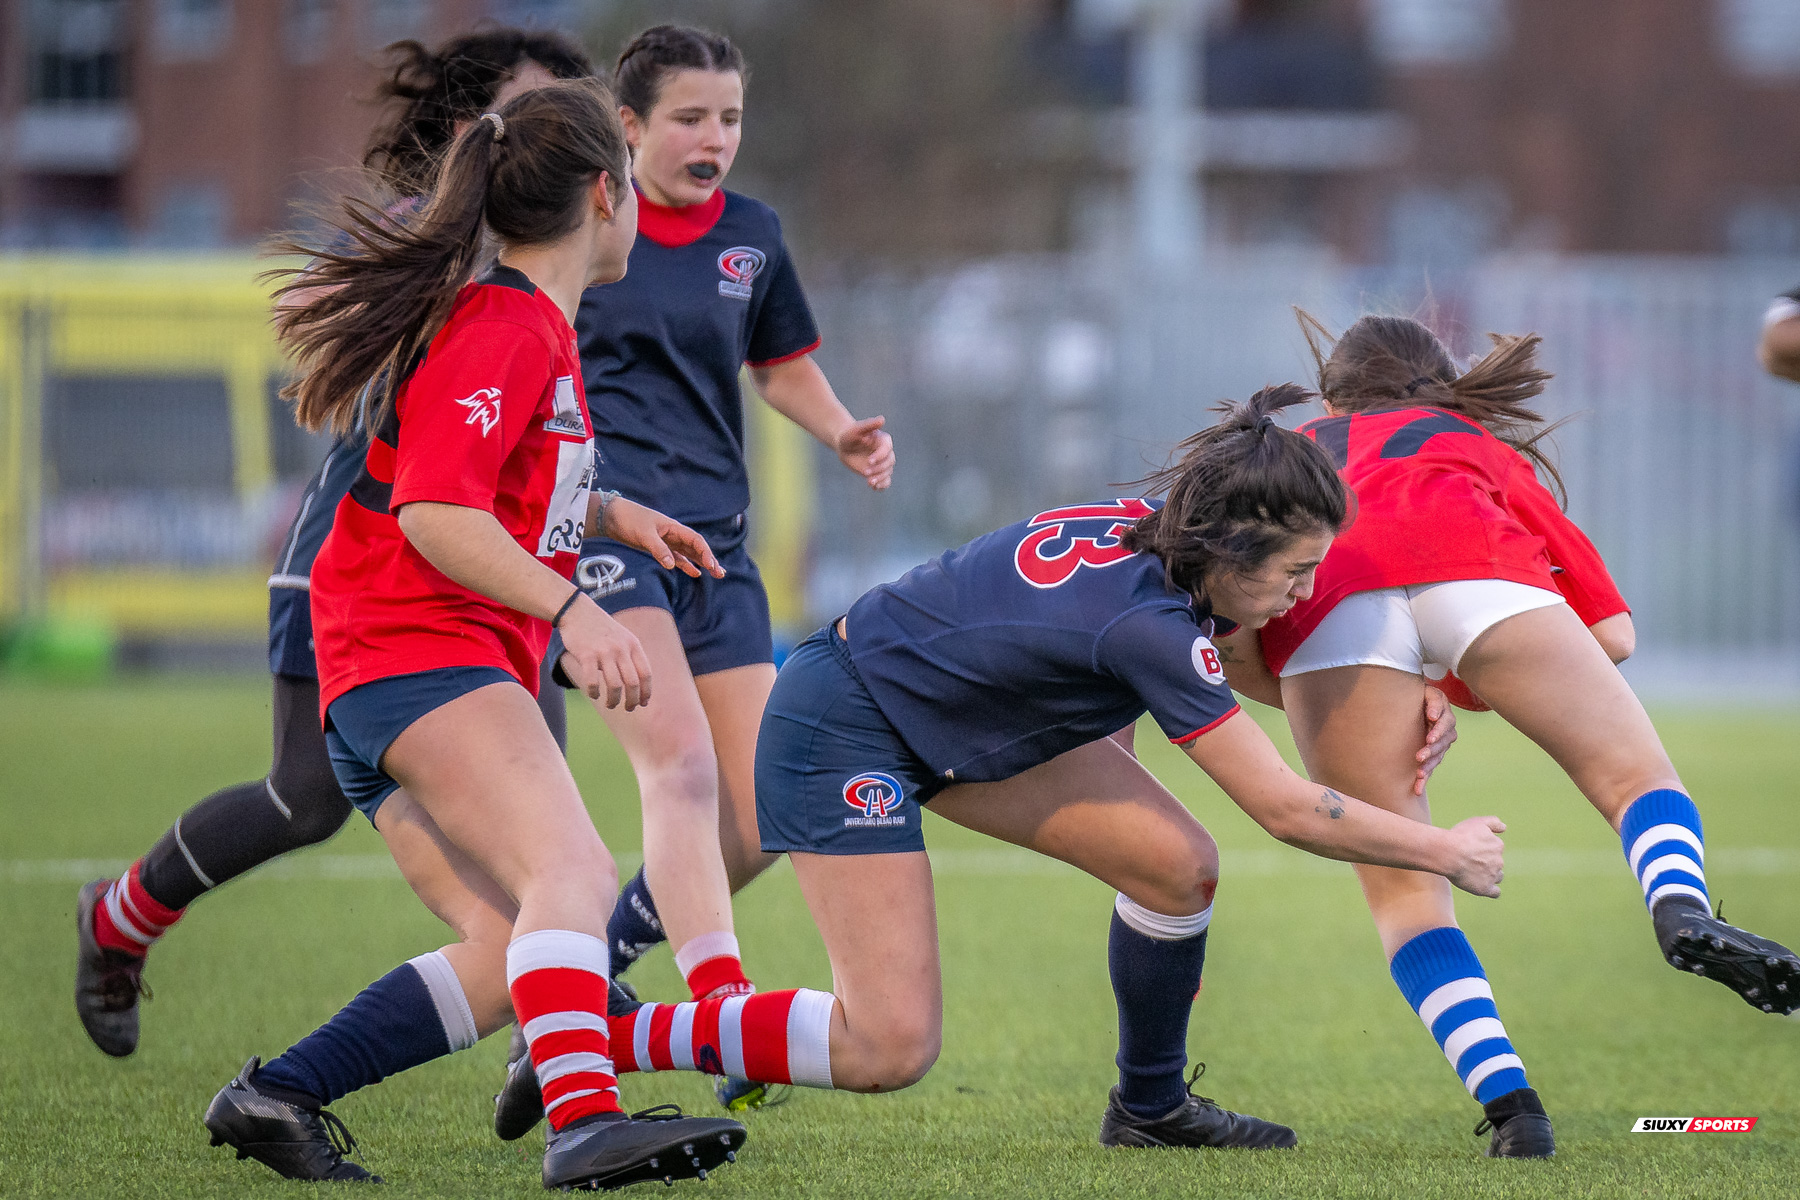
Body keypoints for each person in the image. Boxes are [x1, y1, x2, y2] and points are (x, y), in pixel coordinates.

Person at [512, 385, 1508, 1153]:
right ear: (1235, 547)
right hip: (841, 725)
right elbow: (1288, 809)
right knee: (889, 1046)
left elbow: (1220, 670)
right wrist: (1443, 849)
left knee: (1176, 865)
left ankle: (1149, 1107)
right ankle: (590, 1043)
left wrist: (1385, 705)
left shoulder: (1162, 543)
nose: (1302, 591)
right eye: (1295, 572)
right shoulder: (1151, 624)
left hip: (932, 717)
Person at [199, 80, 751, 1190]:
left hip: (390, 671)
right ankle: (585, 1122)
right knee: (577, 875)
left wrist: (611, 516)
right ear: (606, 193)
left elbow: (483, 482)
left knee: (513, 952)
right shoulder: (503, 324)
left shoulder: (526, 324)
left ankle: (277, 1094)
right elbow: (435, 512)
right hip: (415, 651)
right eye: (635, 184)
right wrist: (579, 606)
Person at [72, 27, 595, 1060]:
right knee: (302, 797)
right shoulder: (442, 233)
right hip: (361, 560)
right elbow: (312, 317)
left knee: (544, 831)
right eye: (534, 105)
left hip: (477, 578)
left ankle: (563, 1049)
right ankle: (119, 920)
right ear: (473, 128)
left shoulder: (558, 252)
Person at [1229, 313, 1800, 1159]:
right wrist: (1465, 679)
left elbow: (1239, 638)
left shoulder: (1285, 454)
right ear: (1439, 382)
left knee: (1403, 890)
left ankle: (1513, 1110)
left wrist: (1392, 684)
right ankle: (1679, 907)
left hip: (1327, 618)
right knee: (1636, 780)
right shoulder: (1467, 439)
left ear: (1331, 396)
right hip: (1482, 582)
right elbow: (1612, 637)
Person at [496, 23, 896, 1126]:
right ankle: (726, 1013)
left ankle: (605, 980)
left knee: (767, 804)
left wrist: (841, 432)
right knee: (678, 772)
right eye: (688, 117)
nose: (713, 136)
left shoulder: (754, 237)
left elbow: (782, 366)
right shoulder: (584, 231)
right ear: (626, 129)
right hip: (604, 536)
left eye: (728, 117)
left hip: (717, 546)